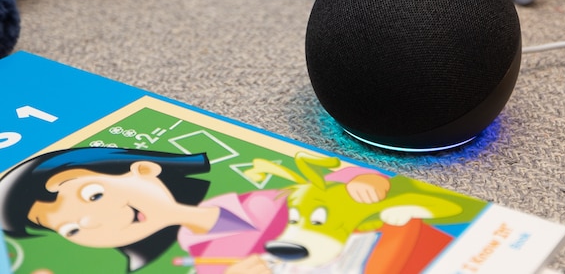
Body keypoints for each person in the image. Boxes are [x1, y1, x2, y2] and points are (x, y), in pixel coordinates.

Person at [0, 147, 389, 273]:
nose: (100, 221)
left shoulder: (261, 194)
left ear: (143, 168)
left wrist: (363, 180)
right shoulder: (210, 262)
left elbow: (332, 176)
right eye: (74, 230)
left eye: (96, 196)